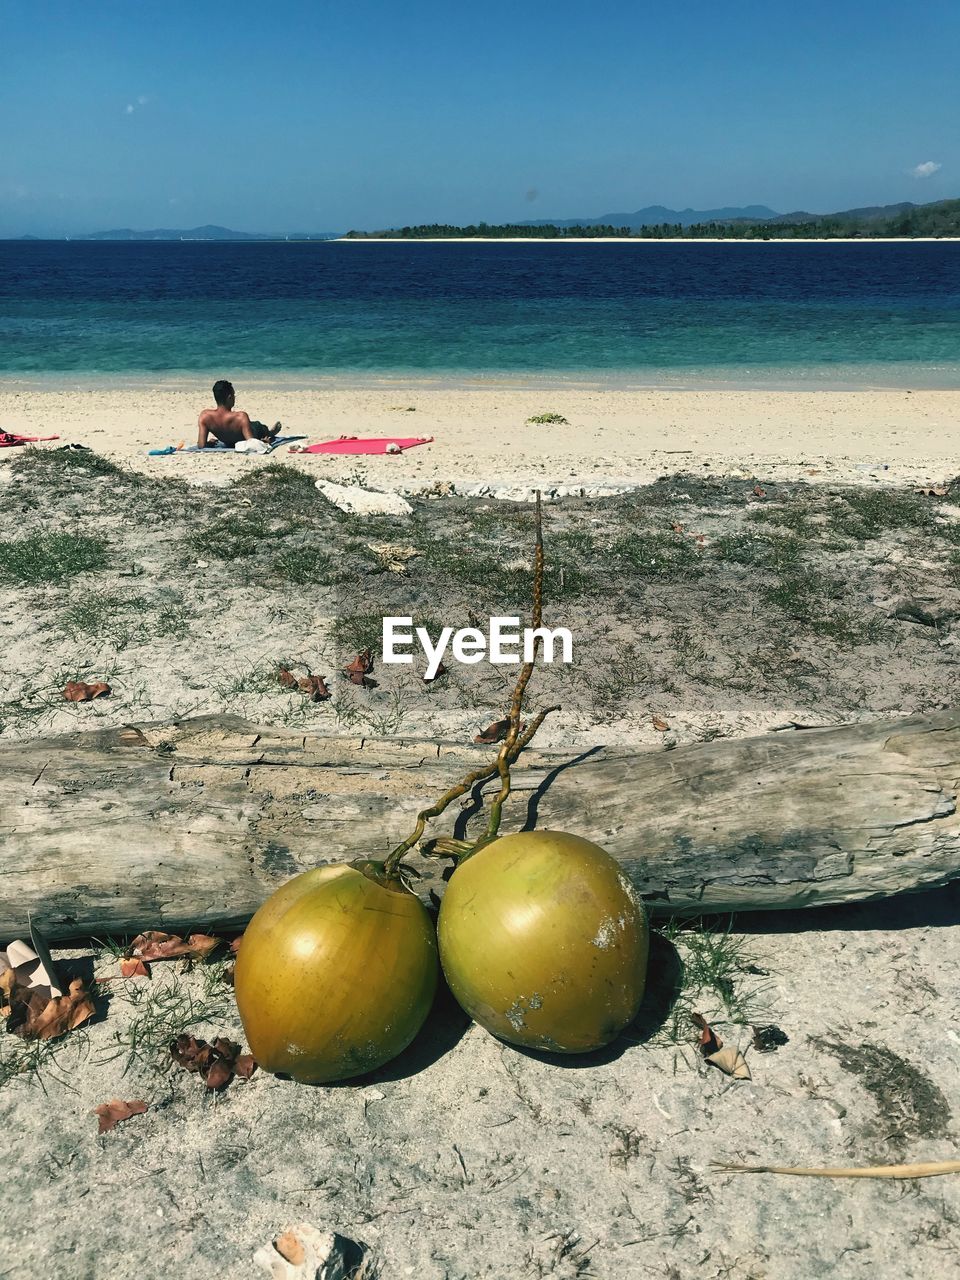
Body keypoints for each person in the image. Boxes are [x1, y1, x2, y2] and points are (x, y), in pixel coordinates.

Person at [197, 380, 281, 449]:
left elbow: (201, 445)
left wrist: (209, 444)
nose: (234, 397)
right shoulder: (240, 417)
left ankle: (270, 432)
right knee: (259, 426)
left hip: (228, 441)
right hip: (251, 431)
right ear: (229, 397)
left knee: (255, 425)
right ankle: (270, 433)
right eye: (233, 395)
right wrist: (263, 443)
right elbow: (251, 443)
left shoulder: (205, 416)